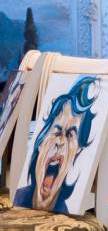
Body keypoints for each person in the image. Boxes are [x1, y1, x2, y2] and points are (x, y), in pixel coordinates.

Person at [15, 75, 100, 214]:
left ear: (77, 151)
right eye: (57, 131)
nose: (60, 142)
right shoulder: (18, 198)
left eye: (70, 135)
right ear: (41, 141)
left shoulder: (67, 215)